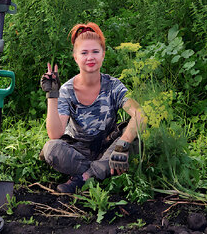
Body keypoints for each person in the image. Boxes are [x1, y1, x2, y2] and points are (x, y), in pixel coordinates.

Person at [39, 22, 144, 194]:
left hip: (109, 148)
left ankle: (82, 178)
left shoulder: (113, 85)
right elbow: (55, 134)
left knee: (137, 137)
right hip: (78, 153)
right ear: (75, 57)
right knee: (51, 149)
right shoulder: (67, 90)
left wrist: (123, 144)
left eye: (95, 52)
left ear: (103, 55)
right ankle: (97, 173)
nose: (90, 57)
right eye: (84, 53)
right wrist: (52, 95)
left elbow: (140, 114)